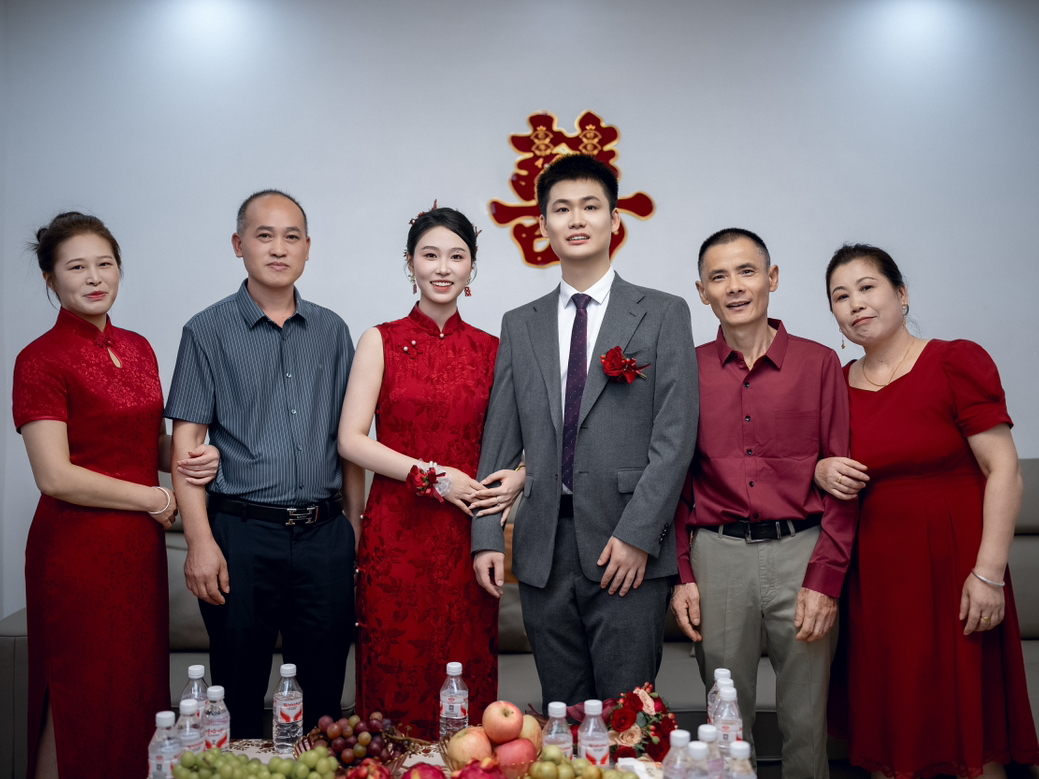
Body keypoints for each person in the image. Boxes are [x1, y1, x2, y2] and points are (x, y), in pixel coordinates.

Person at [473, 154, 698, 707]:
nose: (576, 219)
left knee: (628, 720)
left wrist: (640, 535)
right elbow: (499, 442)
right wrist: (486, 537)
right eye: (562, 209)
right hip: (542, 550)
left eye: (590, 206)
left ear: (614, 220)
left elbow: (675, 439)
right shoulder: (519, 324)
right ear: (543, 224)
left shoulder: (662, 313)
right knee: (562, 718)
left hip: (627, 549)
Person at [816, 244, 1038, 778]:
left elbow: (1004, 470)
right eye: (840, 297)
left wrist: (988, 574)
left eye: (867, 287)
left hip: (958, 566)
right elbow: (805, 459)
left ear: (902, 294)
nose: (855, 304)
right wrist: (820, 469)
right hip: (876, 578)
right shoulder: (836, 385)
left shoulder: (955, 360)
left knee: (971, 730)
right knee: (890, 723)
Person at [13, 212, 219, 779]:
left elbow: (144, 443)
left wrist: (195, 456)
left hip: (136, 551)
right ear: (51, 279)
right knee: (77, 695)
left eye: (104, 264)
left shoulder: (138, 347)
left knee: (135, 693)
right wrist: (154, 499)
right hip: (76, 550)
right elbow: (55, 476)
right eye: (76, 267)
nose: (94, 277)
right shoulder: (40, 358)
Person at [166, 190, 363, 737]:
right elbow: (186, 444)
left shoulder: (333, 331)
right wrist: (200, 542)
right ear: (238, 244)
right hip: (241, 536)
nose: (279, 248)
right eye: (264, 235)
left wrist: (354, 528)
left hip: (324, 535)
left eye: (291, 237)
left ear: (307, 248)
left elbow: (349, 441)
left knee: (324, 701)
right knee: (237, 691)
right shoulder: (206, 331)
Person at [670, 228, 857, 779]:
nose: (734, 286)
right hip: (717, 555)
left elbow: (844, 479)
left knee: (807, 720)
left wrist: (825, 579)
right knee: (725, 722)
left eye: (747, 272)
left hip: (802, 551)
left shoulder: (820, 364)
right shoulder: (686, 369)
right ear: (702, 291)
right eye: (718, 276)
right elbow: (674, 482)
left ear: (771, 279)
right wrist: (683, 574)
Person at [338, 204, 516, 738]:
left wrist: (522, 476)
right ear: (410, 262)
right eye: (430, 255)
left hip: (469, 535)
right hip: (396, 534)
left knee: (465, 682)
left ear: (472, 267)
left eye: (456, 256)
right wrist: (434, 476)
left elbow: (521, 444)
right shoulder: (380, 339)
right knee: (395, 681)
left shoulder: (493, 350)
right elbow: (350, 440)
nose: (443, 268)